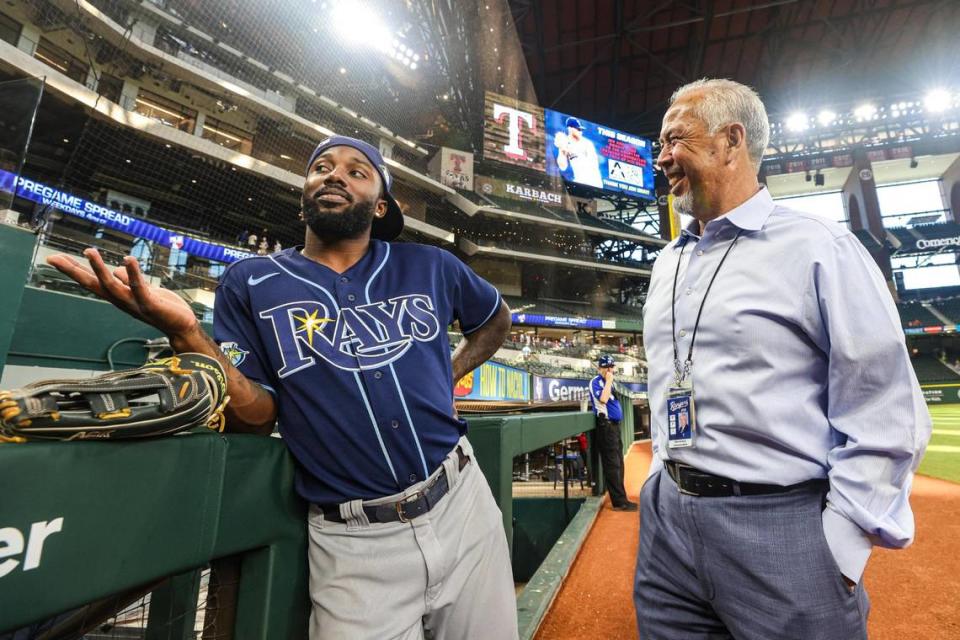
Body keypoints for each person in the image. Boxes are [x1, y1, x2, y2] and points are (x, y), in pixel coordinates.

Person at [46, 135, 519, 640]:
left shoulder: (430, 265)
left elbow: (495, 319)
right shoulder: (250, 281)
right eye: (322, 167)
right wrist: (186, 333)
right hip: (354, 543)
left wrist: (446, 376)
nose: (335, 174)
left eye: (357, 171)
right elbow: (256, 417)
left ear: (381, 206)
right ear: (304, 196)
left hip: (461, 504)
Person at [636, 78, 931, 639]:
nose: (663, 157)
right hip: (668, 527)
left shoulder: (821, 246)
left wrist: (840, 549)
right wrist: (659, 485)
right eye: (660, 143)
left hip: (780, 524)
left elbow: (888, 407)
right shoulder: (667, 262)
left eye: (676, 140)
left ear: (731, 140)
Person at [589, 355, 637, 511]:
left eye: (611, 367)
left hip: (615, 427)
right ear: (599, 368)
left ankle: (621, 497)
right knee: (613, 465)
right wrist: (609, 380)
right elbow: (603, 399)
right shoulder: (596, 382)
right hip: (606, 426)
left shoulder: (611, 384)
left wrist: (610, 381)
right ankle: (619, 502)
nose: (609, 370)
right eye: (606, 367)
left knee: (619, 464)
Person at [554, 117, 603, 189]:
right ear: (570, 129)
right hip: (579, 183)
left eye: (581, 130)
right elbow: (563, 167)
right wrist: (561, 149)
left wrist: (570, 151)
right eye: (578, 129)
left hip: (594, 182)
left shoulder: (587, 143)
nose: (580, 132)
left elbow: (592, 165)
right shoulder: (565, 142)